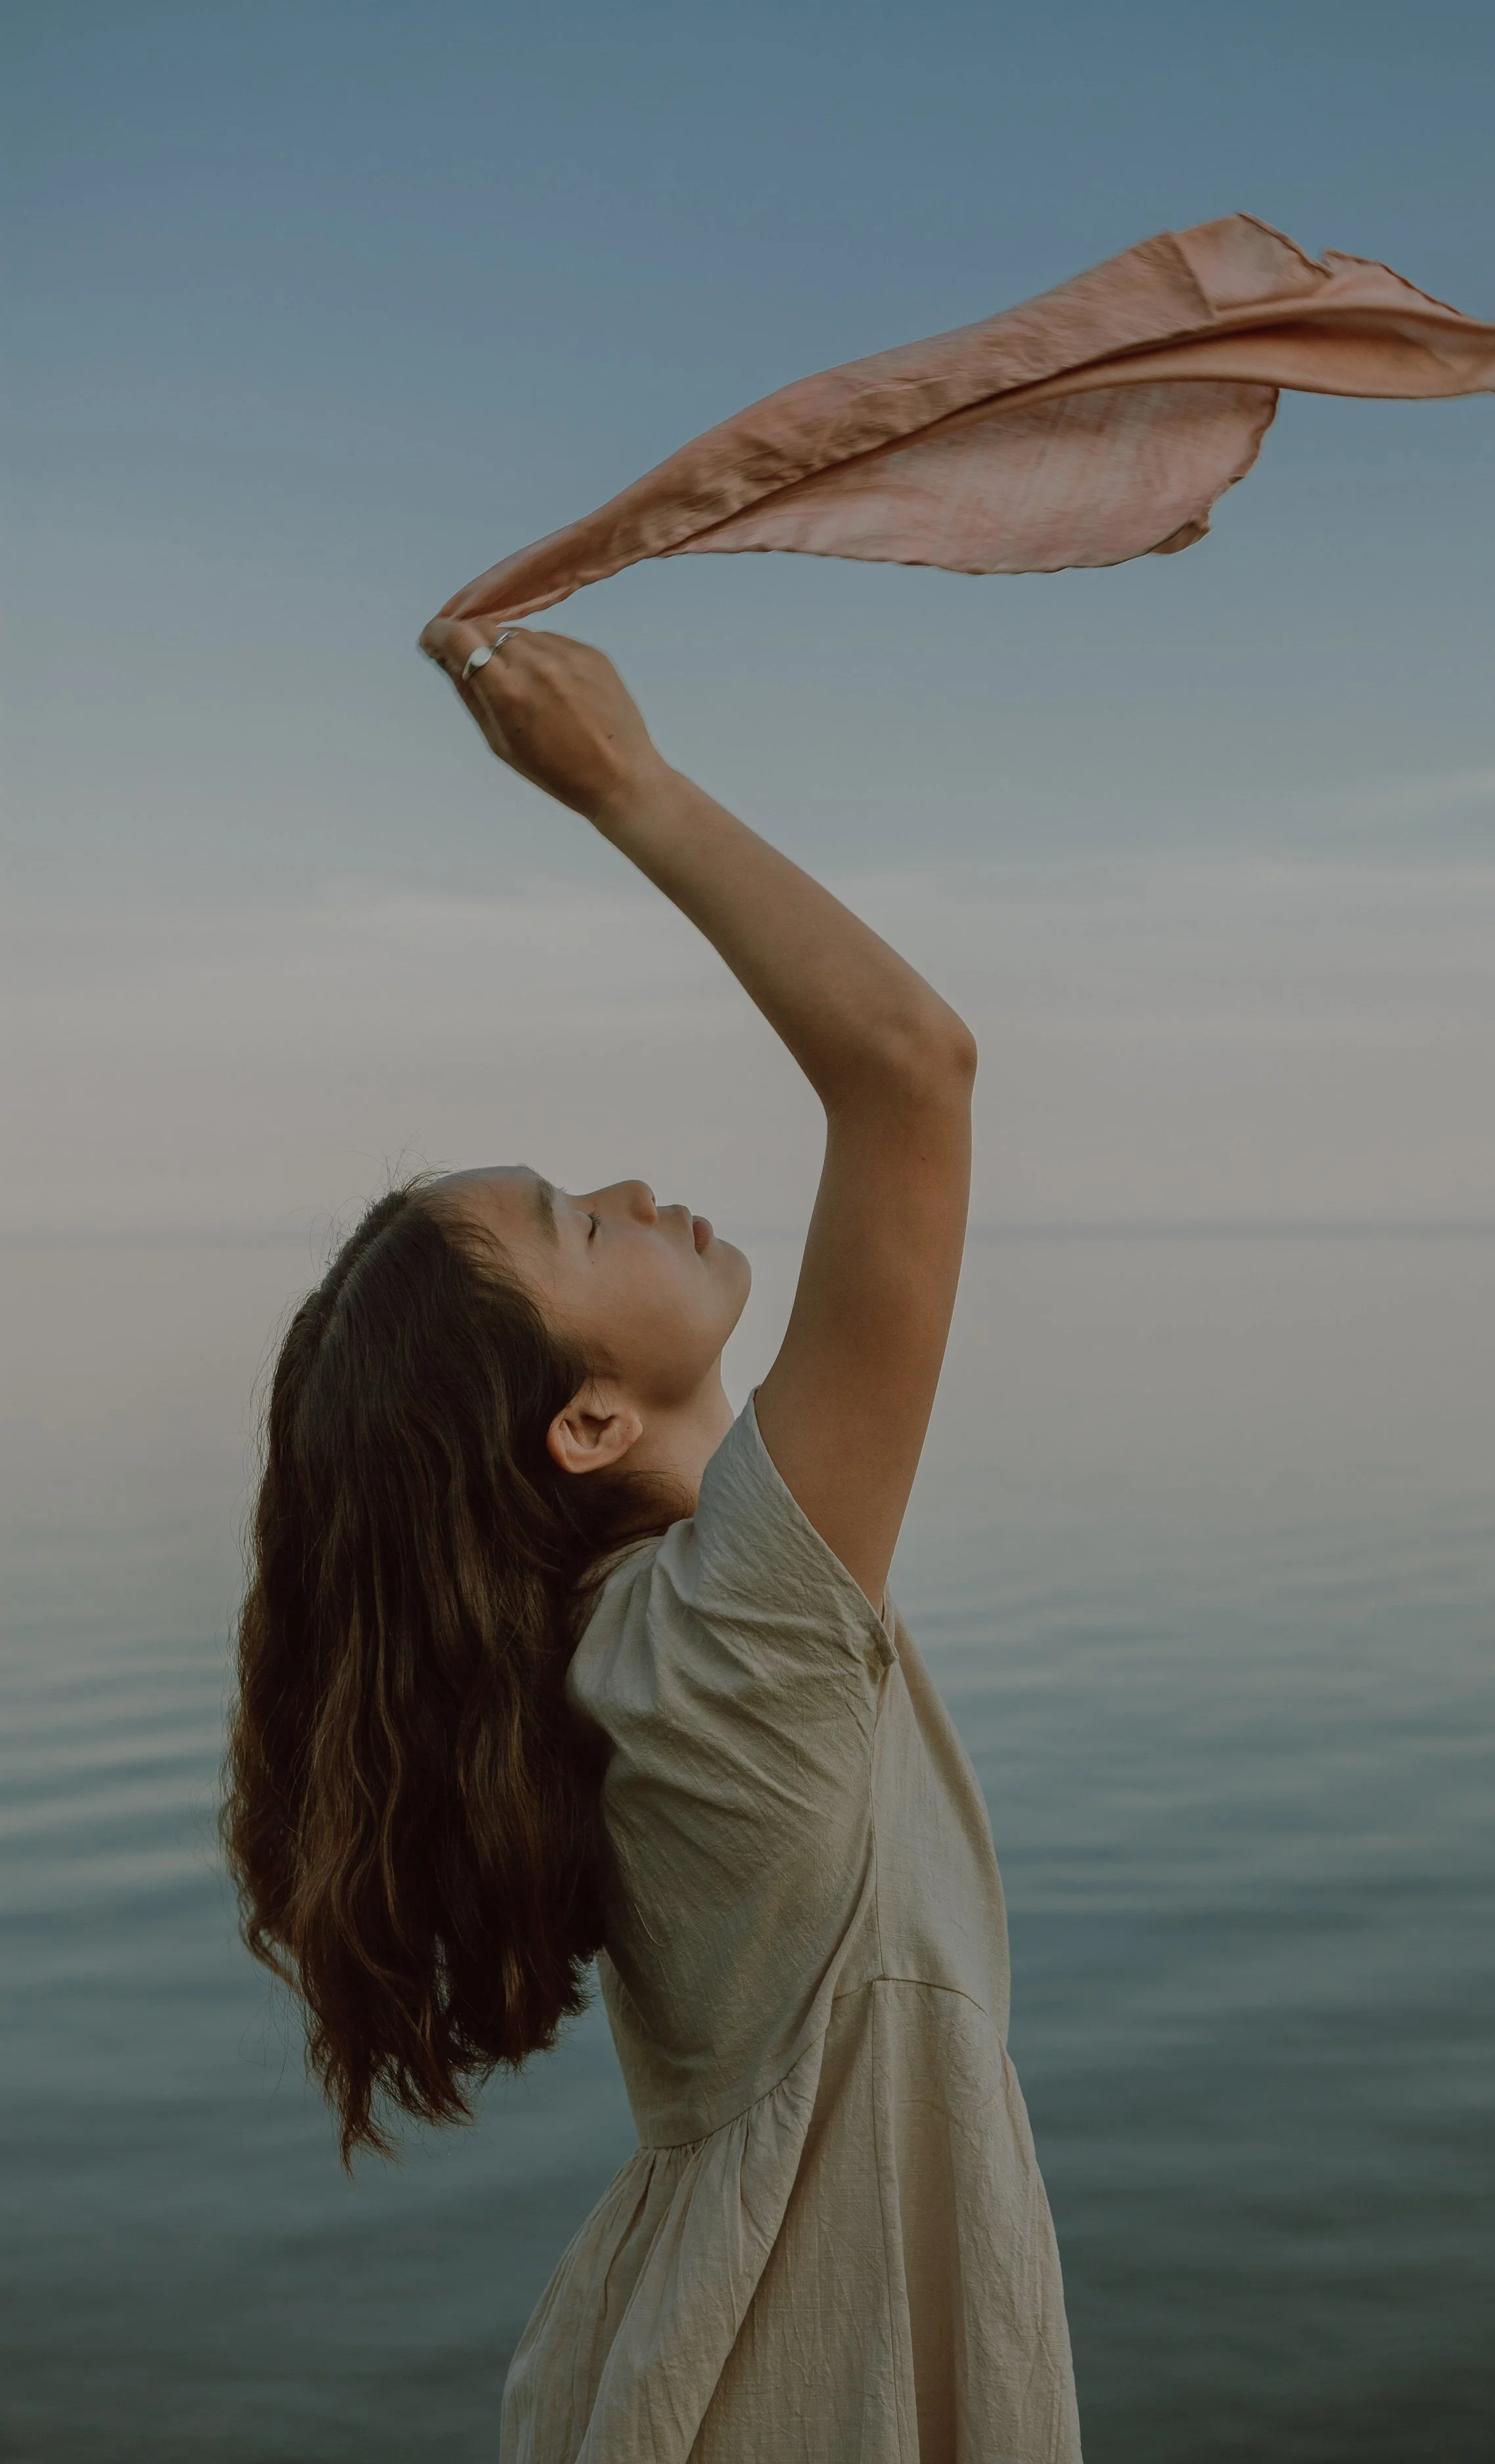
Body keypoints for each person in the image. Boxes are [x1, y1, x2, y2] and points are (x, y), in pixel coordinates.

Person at [223, 622, 1082, 2463]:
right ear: (586, 1422)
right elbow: (910, 1069)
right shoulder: (717, 1648)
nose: (622, 1189)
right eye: (566, 1222)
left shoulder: (630, 1648)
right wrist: (622, 779)